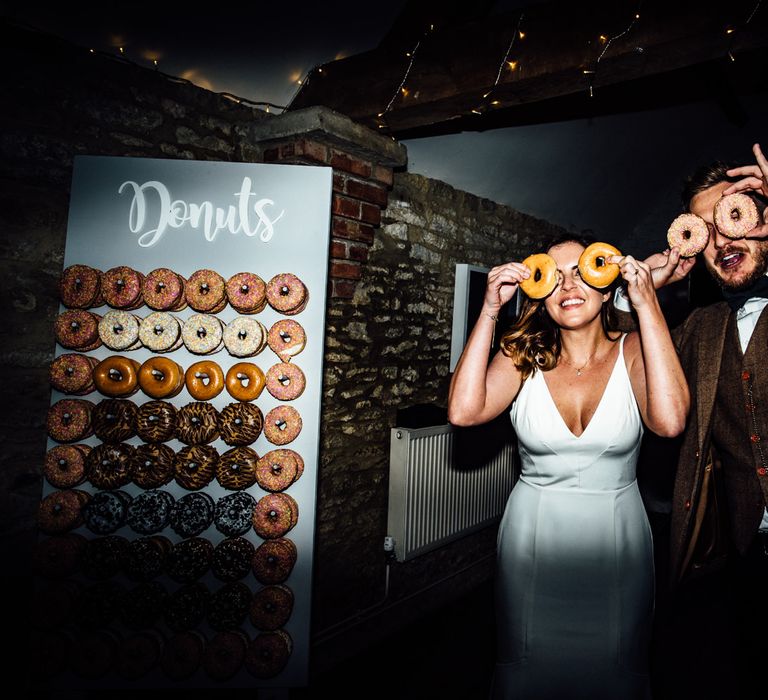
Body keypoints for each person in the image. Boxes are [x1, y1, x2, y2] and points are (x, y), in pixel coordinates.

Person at [448, 233, 689, 699]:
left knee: (617, 670)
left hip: (617, 543)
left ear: (605, 285)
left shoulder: (636, 348)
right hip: (533, 542)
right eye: (554, 278)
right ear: (539, 293)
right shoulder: (523, 359)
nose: (568, 286)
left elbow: (671, 420)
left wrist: (646, 303)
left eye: (582, 271)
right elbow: (463, 410)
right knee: (527, 670)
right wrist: (490, 310)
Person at [631, 142, 768, 700]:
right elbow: (616, 347)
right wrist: (652, 288)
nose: (721, 241)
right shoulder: (701, 326)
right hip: (748, 553)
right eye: (705, 230)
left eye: (733, 218)